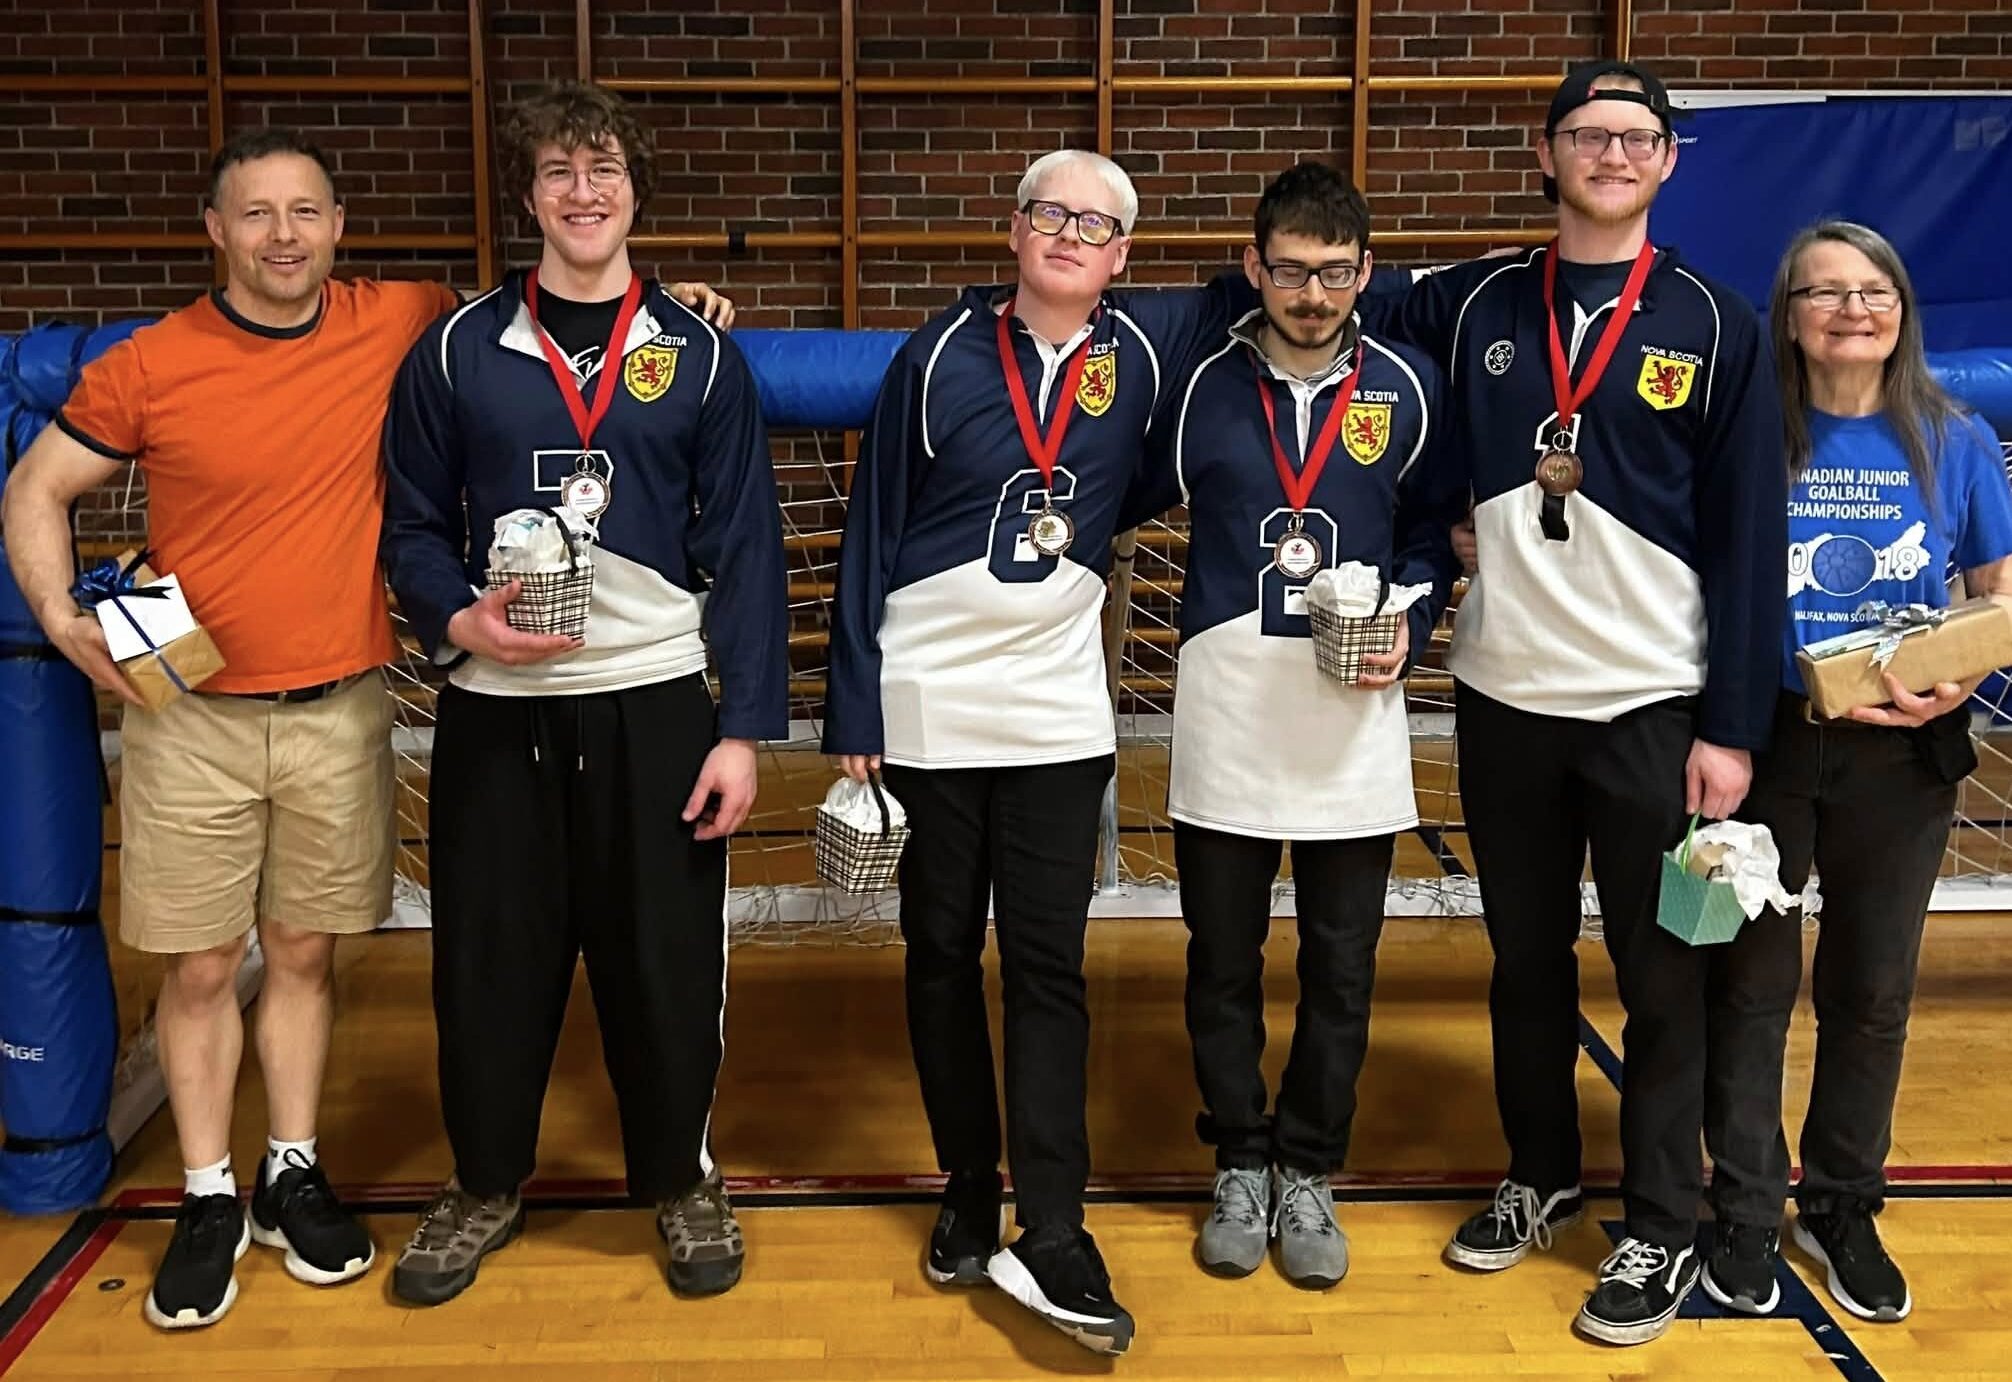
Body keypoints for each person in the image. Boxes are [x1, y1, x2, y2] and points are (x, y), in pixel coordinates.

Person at [1358, 59, 1788, 1345]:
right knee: (1522, 961)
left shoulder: (1714, 322)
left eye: (1637, 136)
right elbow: (1309, 281)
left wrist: (1731, 726)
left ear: (1666, 162)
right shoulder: (1472, 299)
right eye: (1588, 134)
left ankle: (1658, 1221)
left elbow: (1748, 540)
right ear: (1543, 155)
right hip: (1501, 700)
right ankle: (1539, 1168)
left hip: (1653, 707)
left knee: (1664, 977)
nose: (1611, 153)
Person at [822, 149, 1246, 1356]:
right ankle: (966, 1181)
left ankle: (1051, 1219)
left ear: (1121, 255)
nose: (1069, 234)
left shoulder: (1148, 351)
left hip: (1058, 710)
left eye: (1096, 224)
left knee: (1050, 962)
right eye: (1049, 214)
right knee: (940, 949)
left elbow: (1260, 287)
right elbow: (867, 534)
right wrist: (853, 708)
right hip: (924, 699)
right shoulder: (935, 355)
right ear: (1013, 231)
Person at [377, 79, 785, 1307]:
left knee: (660, 957)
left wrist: (743, 730)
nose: (582, 191)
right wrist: (454, 616)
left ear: (634, 191)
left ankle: (678, 1174)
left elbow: (750, 548)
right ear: (530, 195)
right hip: (497, 708)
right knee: (490, 956)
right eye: (558, 171)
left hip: (655, 701)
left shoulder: (700, 353)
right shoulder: (457, 350)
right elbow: (407, 524)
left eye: (603, 169)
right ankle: (486, 1180)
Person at [1120, 161, 1460, 1289]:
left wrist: (1412, 611)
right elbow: (1097, 495)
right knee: (1219, 959)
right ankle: (1240, 1158)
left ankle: (1310, 1164)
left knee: (1341, 963)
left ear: (1364, 271)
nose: (1310, 294)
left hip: (1350, 715)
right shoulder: (1195, 388)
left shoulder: (1406, 387)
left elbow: (1427, 534)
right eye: (1288, 270)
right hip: (1225, 709)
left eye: (1331, 273)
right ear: (1252, 265)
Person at [1698, 221, 2012, 1323]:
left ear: (1900, 310)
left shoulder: (1952, 437)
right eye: (1824, 292)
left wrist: (1953, 680)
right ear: (1785, 314)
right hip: (1768, 743)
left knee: (1869, 992)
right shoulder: (1745, 437)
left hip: (1903, 757)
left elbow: (1993, 593)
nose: (1851, 309)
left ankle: (1840, 1201)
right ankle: (1739, 1205)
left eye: (1872, 290)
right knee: (1745, 986)